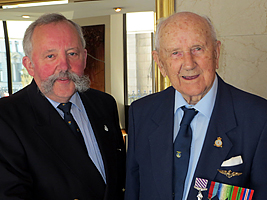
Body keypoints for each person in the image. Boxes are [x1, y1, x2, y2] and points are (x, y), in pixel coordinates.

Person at [125, 11, 267, 200]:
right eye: (175, 53)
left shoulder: (258, 117)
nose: (189, 63)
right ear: (160, 63)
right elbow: (133, 191)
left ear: (216, 53)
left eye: (198, 49)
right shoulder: (141, 113)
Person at [0, 13, 126, 200]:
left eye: (72, 53)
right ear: (29, 65)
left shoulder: (104, 104)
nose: (64, 66)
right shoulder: (7, 117)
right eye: (50, 56)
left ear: (84, 57)